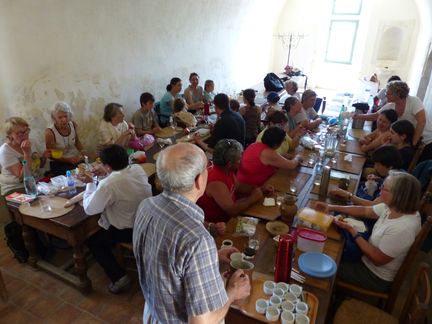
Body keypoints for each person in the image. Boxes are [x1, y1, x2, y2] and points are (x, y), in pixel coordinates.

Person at [133, 143, 251, 323]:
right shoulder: (197, 239)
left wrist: (211, 257)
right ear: (198, 180)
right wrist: (232, 292)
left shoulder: (146, 206)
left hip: (154, 314)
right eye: (207, 167)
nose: (209, 170)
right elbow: (202, 322)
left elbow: (164, 263)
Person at [318, 172, 421, 293]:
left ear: (399, 196)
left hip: (373, 275)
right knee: (330, 249)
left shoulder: (403, 228)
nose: (380, 189)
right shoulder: (394, 206)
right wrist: (331, 207)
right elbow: (365, 211)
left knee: (323, 264)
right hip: (364, 257)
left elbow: (377, 260)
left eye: (385, 189)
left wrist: (353, 231)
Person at [83, 144, 152, 293]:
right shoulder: (137, 169)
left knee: (93, 241)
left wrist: (89, 184)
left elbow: (90, 209)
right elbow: (120, 178)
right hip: (148, 219)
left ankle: (119, 277)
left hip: (130, 229)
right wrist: (107, 171)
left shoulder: (108, 184)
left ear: (107, 166)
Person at [197, 139, 264, 226]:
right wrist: (253, 198)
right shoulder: (216, 182)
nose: (241, 161)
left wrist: (257, 189)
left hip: (232, 215)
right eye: (239, 159)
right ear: (229, 163)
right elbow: (232, 211)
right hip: (220, 226)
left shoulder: (227, 170)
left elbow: (238, 186)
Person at [353, 81, 432, 152]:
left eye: (388, 93)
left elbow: (421, 122)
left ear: (397, 94)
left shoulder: (414, 101)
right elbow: (375, 116)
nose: (385, 95)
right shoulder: (391, 105)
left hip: (426, 139)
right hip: (408, 139)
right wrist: (357, 116)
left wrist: (413, 144)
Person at [331, 145, 403, 205]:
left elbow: (373, 206)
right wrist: (379, 179)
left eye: (377, 164)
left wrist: (348, 195)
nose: (375, 167)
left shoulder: (394, 183)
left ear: (390, 166)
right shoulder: (398, 173)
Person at [237, 127, 302, 188]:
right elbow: (291, 165)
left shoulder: (254, 145)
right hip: (249, 188)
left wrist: (285, 156)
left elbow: (272, 156)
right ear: (276, 144)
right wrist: (298, 157)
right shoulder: (268, 153)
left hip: (241, 182)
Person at [0, 117, 49, 196]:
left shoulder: (32, 141)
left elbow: (37, 167)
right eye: (19, 133)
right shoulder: (5, 151)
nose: (24, 135)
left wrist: (44, 158)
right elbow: (22, 177)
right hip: (16, 188)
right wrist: (27, 154)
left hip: (36, 183)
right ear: (10, 135)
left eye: (26, 131)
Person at [45, 101, 84, 176]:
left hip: (73, 158)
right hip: (59, 162)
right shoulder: (49, 132)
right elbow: (51, 155)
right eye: (60, 117)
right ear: (54, 118)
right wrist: (68, 160)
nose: (64, 120)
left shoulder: (73, 125)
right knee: (73, 176)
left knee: (86, 170)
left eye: (66, 116)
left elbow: (77, 142)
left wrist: (83, 152)